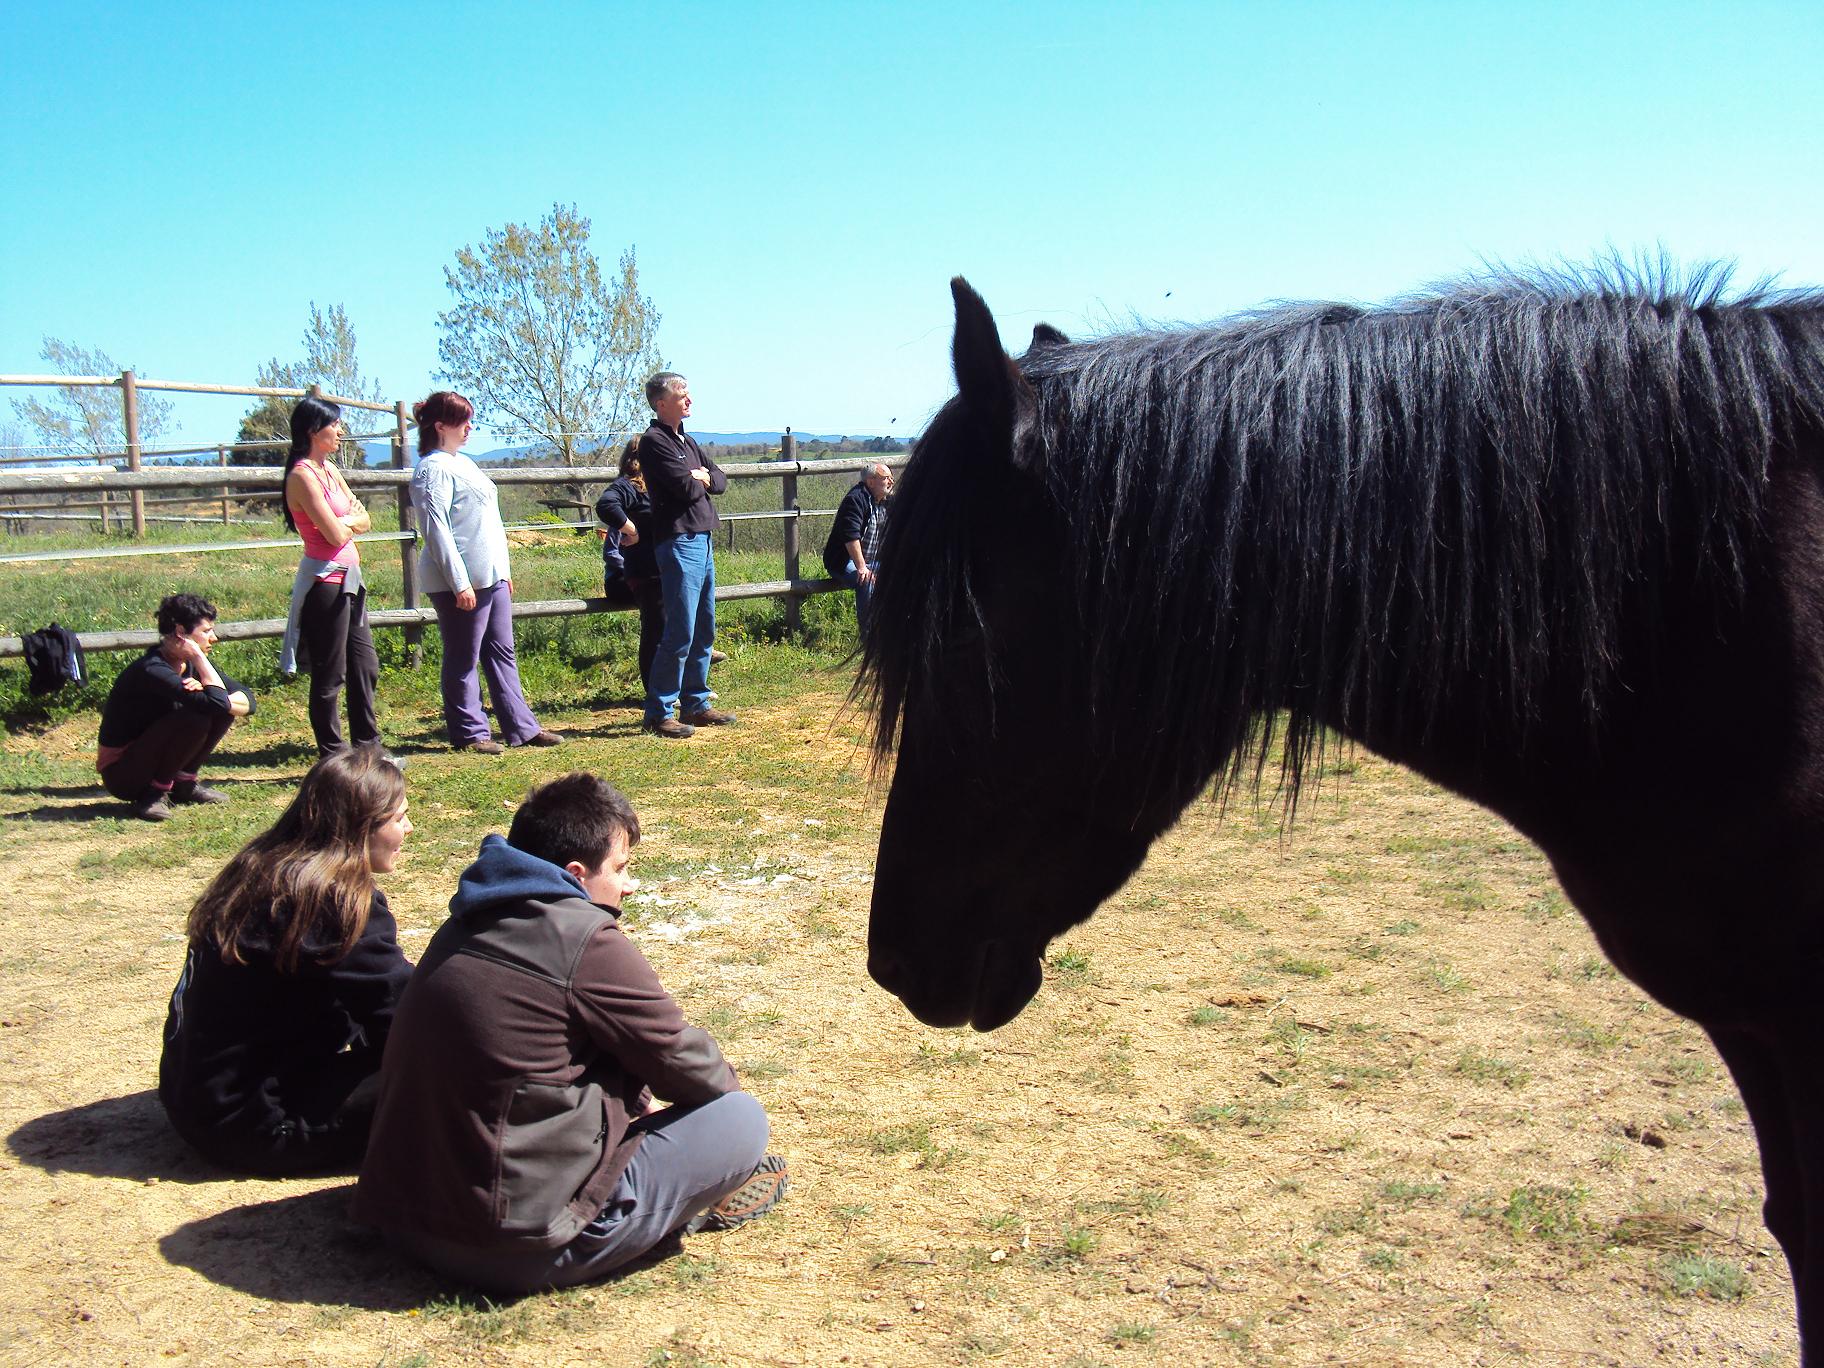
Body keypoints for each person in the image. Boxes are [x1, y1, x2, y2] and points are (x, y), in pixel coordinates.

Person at [356, 772, 786, 1293]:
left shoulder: (468, 917)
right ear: (576, 874)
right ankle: (671, 1213)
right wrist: (705, 1127)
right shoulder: (582, 938)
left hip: (405, 1220)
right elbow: (686, 1063)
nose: (629, 885)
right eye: (622, 870)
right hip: (510, 1248)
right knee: (739, 1120)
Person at [158, 745, 413, 1175]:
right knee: (457, 1074)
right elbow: (406, 1013)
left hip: (196, 1101)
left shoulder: (261, 866)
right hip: (257, 1127)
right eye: (399, 818)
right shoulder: (335, 900)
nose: (409, 828)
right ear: (360, 828)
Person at [409, 390, 562, 753]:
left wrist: (502, 571)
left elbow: (488, 524)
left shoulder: (464, 463)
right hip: (461, 584)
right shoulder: (431, 469)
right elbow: (437, 530)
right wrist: (459, 582)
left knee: (501, 651)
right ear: (440, 426)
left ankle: (521, 727)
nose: (469, 428)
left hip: (490, 578)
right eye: (462, 421)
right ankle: (470, 731)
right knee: (463, 656)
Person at [279, 395, 380, 756]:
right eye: (334, 424)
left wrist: (347, 521)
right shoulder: (302, 477)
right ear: (312, 431)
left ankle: (369, 749)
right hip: (325, 582)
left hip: (351, 577)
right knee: (330, 673)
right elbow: (337, 535)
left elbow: (364, 520)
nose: (340, 430)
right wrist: (350, 521)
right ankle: (333, 755)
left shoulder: (330, 470)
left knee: (365, 665)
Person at [96, 593, 254, 822]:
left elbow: (249, 700)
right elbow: (217, 702)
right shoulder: (153, 670)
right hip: (124, 774)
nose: (214, 638)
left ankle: (183, 783)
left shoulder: (186, 663)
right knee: (197, 717)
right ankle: (154, 794)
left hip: (149, 759)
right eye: (206, 631)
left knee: (219, 709)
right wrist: (201, 660)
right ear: (181, 633)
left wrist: (207, 687)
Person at [639, 372, 734, 739]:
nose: (689, 399)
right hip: (679, 542)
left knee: (704, 627)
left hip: (702, 541)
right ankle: (659, 711)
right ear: (661, 403)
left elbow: (720, 481)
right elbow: (683, 488)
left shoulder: (687, 440)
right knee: (680, 628)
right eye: (682, 394)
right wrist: (697, 479)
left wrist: (703, 476)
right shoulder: (653, 442)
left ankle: (695, 703)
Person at [595, 437, 665, 691]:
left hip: (659, 570)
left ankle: (678, 686)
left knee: (668, 624)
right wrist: (632, 530)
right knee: (656, 628)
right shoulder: (627, 489)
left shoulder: (655, 487)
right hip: (640, 574)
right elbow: (606, 508)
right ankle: (657, 692)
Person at [821, 462, 893, 630]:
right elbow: (850, 536)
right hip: (845, 561)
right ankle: (869, 638)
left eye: (891, 478)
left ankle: (893, 632)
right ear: (871, 482)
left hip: (874, 561)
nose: (890, 482)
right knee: (866, 581)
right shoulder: (855, 500)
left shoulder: (888, 501)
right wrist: (861, 567)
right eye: (886, 478)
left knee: (901, 575)